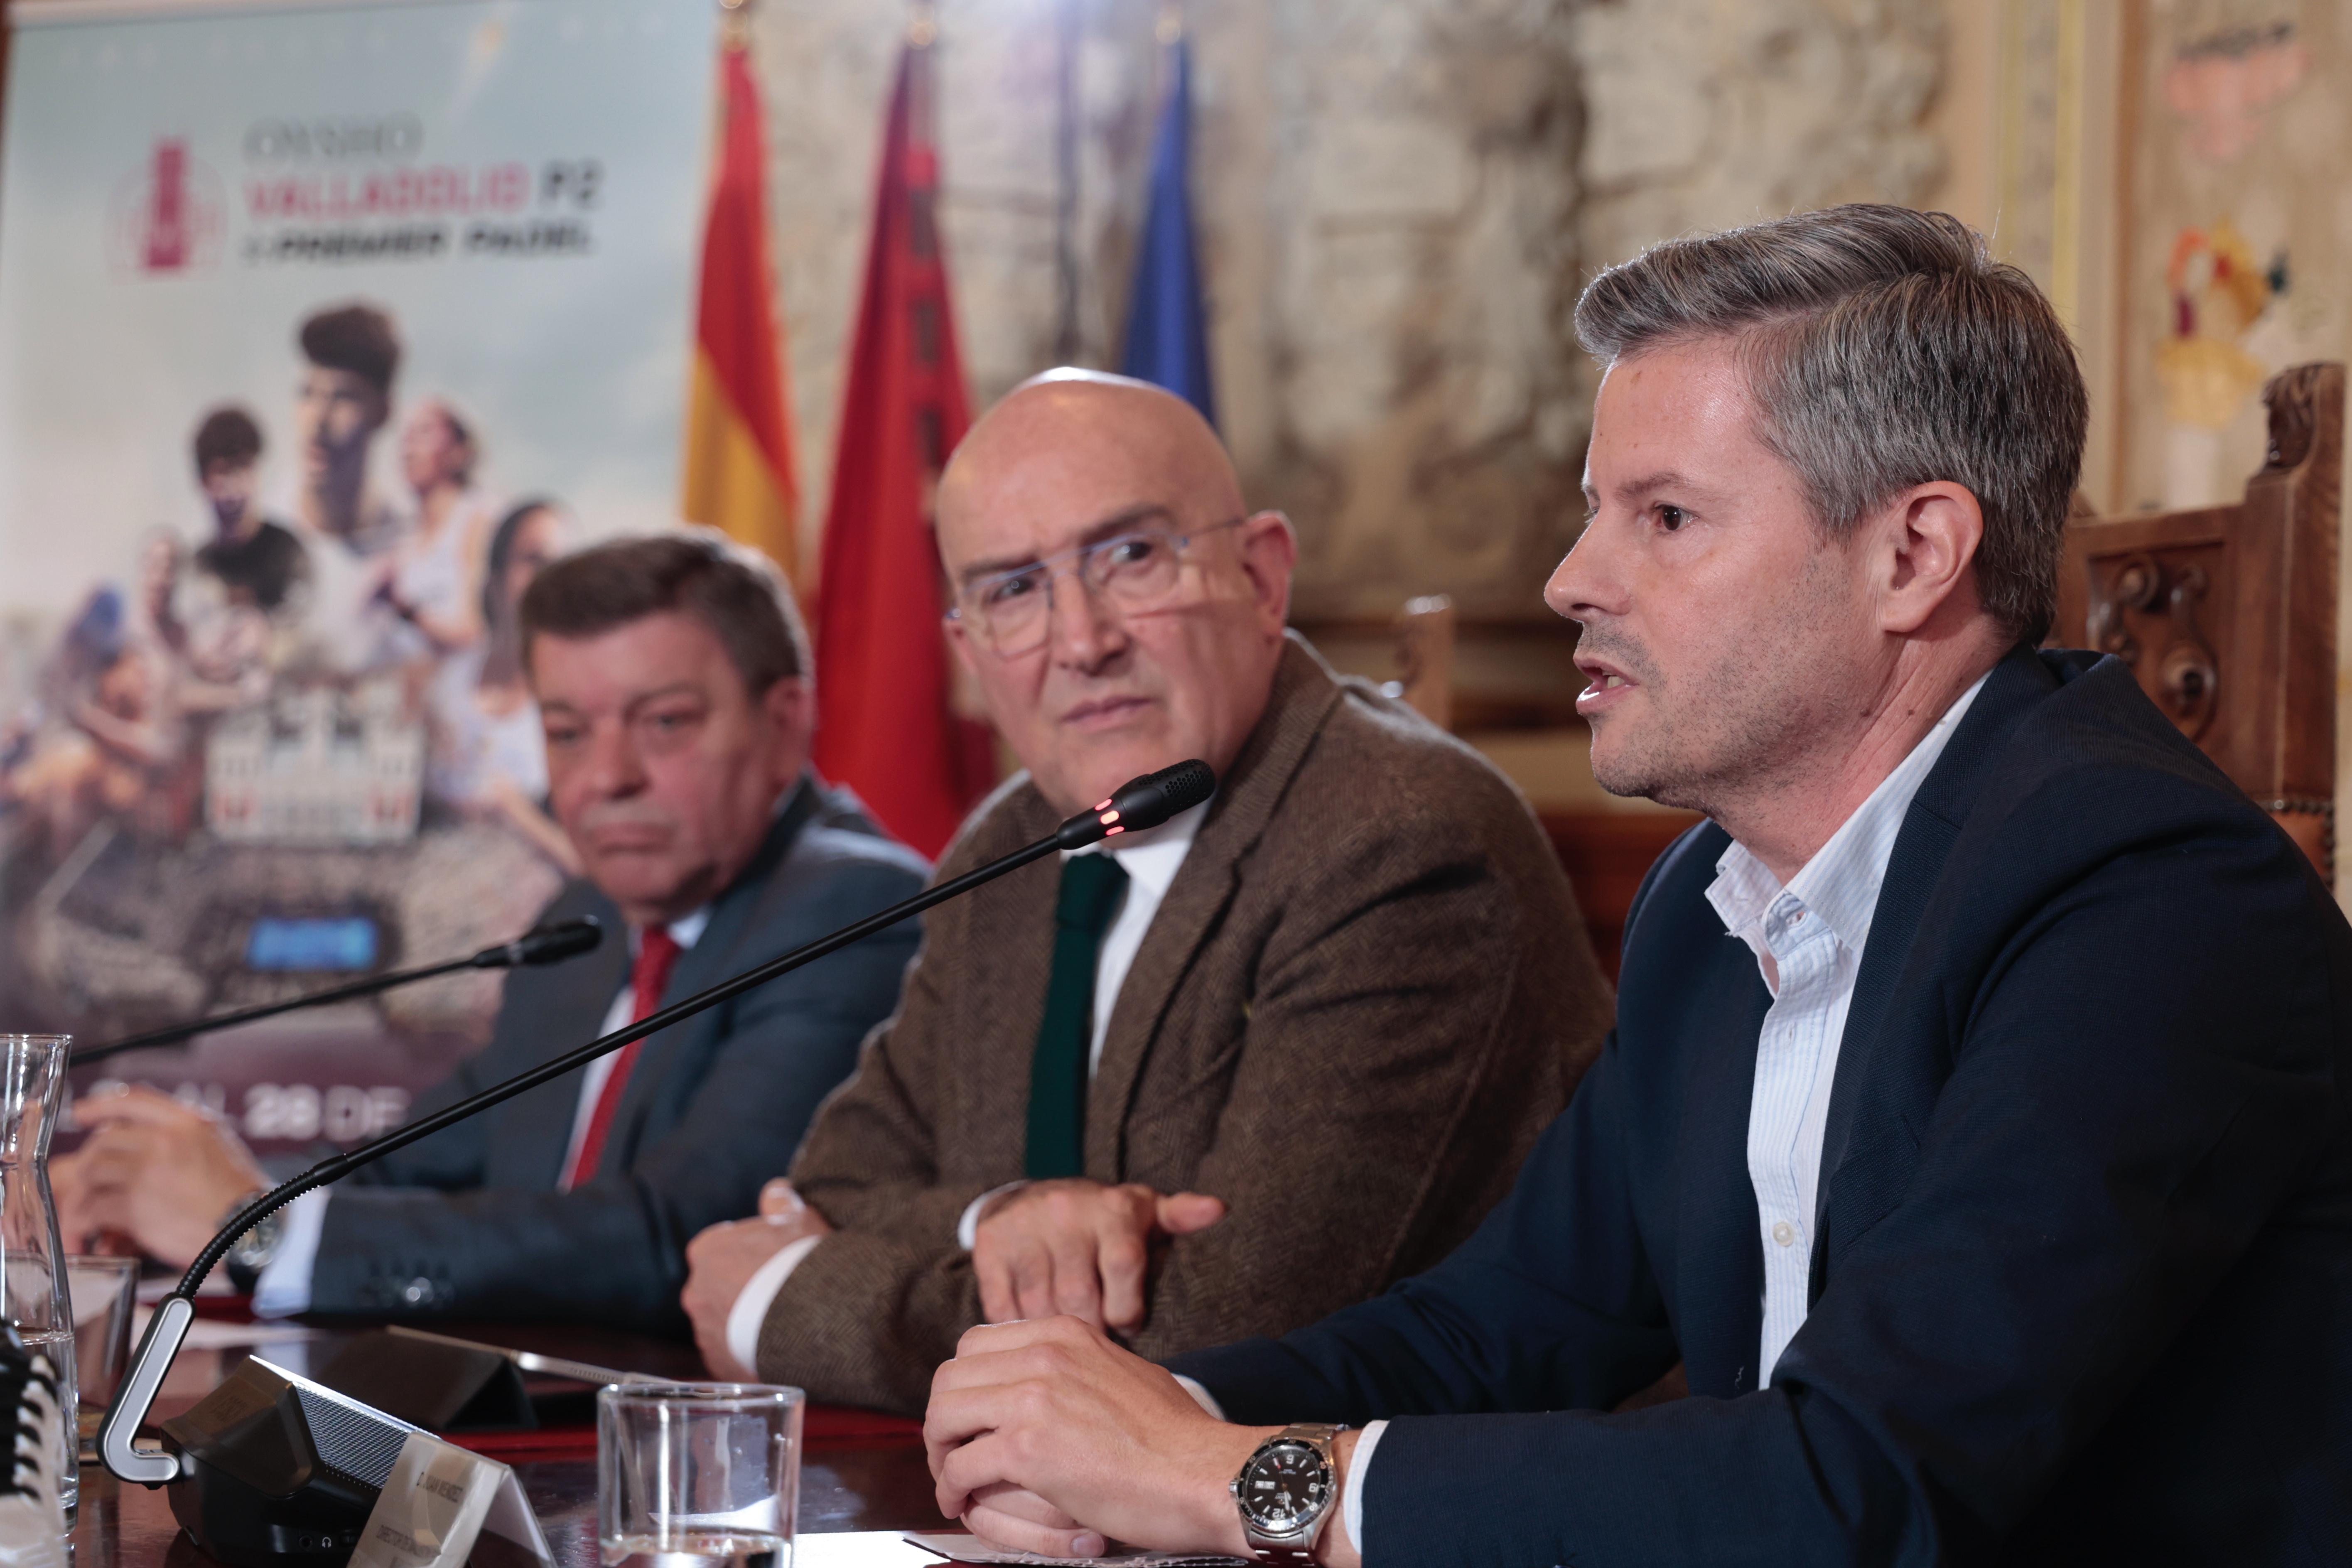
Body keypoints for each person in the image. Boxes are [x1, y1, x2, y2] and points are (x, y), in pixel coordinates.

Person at [918, 207, 2352, 1565]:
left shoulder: (2149, 905)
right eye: (1595, 510)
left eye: (1663, 517)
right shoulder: (1711, 897)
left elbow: (1864, 1485)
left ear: (1911, 554)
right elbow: (1501, 1327)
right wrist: (1133, 1418)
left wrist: (1220, 1479)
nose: (1568, 580)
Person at [678, 370, 1612, 1414]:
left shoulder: (1399, 840)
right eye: (1013, 590)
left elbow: (1226, 1337)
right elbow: (834, 1189)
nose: (1081, 642)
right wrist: (1002, 1215)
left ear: (1260, 577)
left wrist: (782, 1301)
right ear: (969, 652)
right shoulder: (1011, 845)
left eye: (1129, 557)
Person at [54, 532, 930, 1332]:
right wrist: (154, 1194)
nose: (606, 778)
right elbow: (409, 1166)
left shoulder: (855, 910)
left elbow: (683, 1237)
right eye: (567, 732)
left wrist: (254, 1231)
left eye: (664, 722)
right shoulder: (585, 920)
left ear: (783, 723)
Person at [424, 497, 578, 872]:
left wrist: (513, 811)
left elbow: (590, 867)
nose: (550, 581)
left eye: (564, 568)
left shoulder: (583, 706)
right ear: (496, 579)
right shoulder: (443, 685)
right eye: (534, 561)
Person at [379, 398, 499, 658]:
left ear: (460, 451)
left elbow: (475, 632)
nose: (408, 450)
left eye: (424, 433)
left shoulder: (478, 521)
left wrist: (409, 613)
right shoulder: (404, 541)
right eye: (406, 439)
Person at [186, 407, 309, 616]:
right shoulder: (198, 567)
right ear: (203, 482)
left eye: (244, 468)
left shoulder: (287, 553)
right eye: (223, 471)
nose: (235, 488)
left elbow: (302, 619)